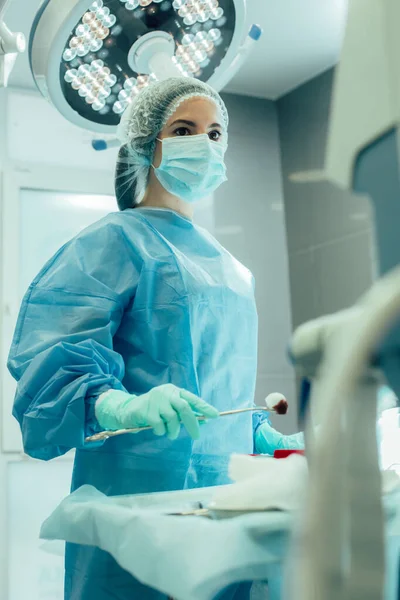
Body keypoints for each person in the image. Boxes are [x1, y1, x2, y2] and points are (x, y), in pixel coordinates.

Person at [8, 77, 303, 600]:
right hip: (138, 500)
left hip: (225, 502)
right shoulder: (113, 240)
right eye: (184, 129)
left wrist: (259, 436)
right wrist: (121, 405)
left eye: (215, 133)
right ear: (146, 144)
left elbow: (221, 379)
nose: (205, 144)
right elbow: (52, 366)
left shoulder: (234, 270)